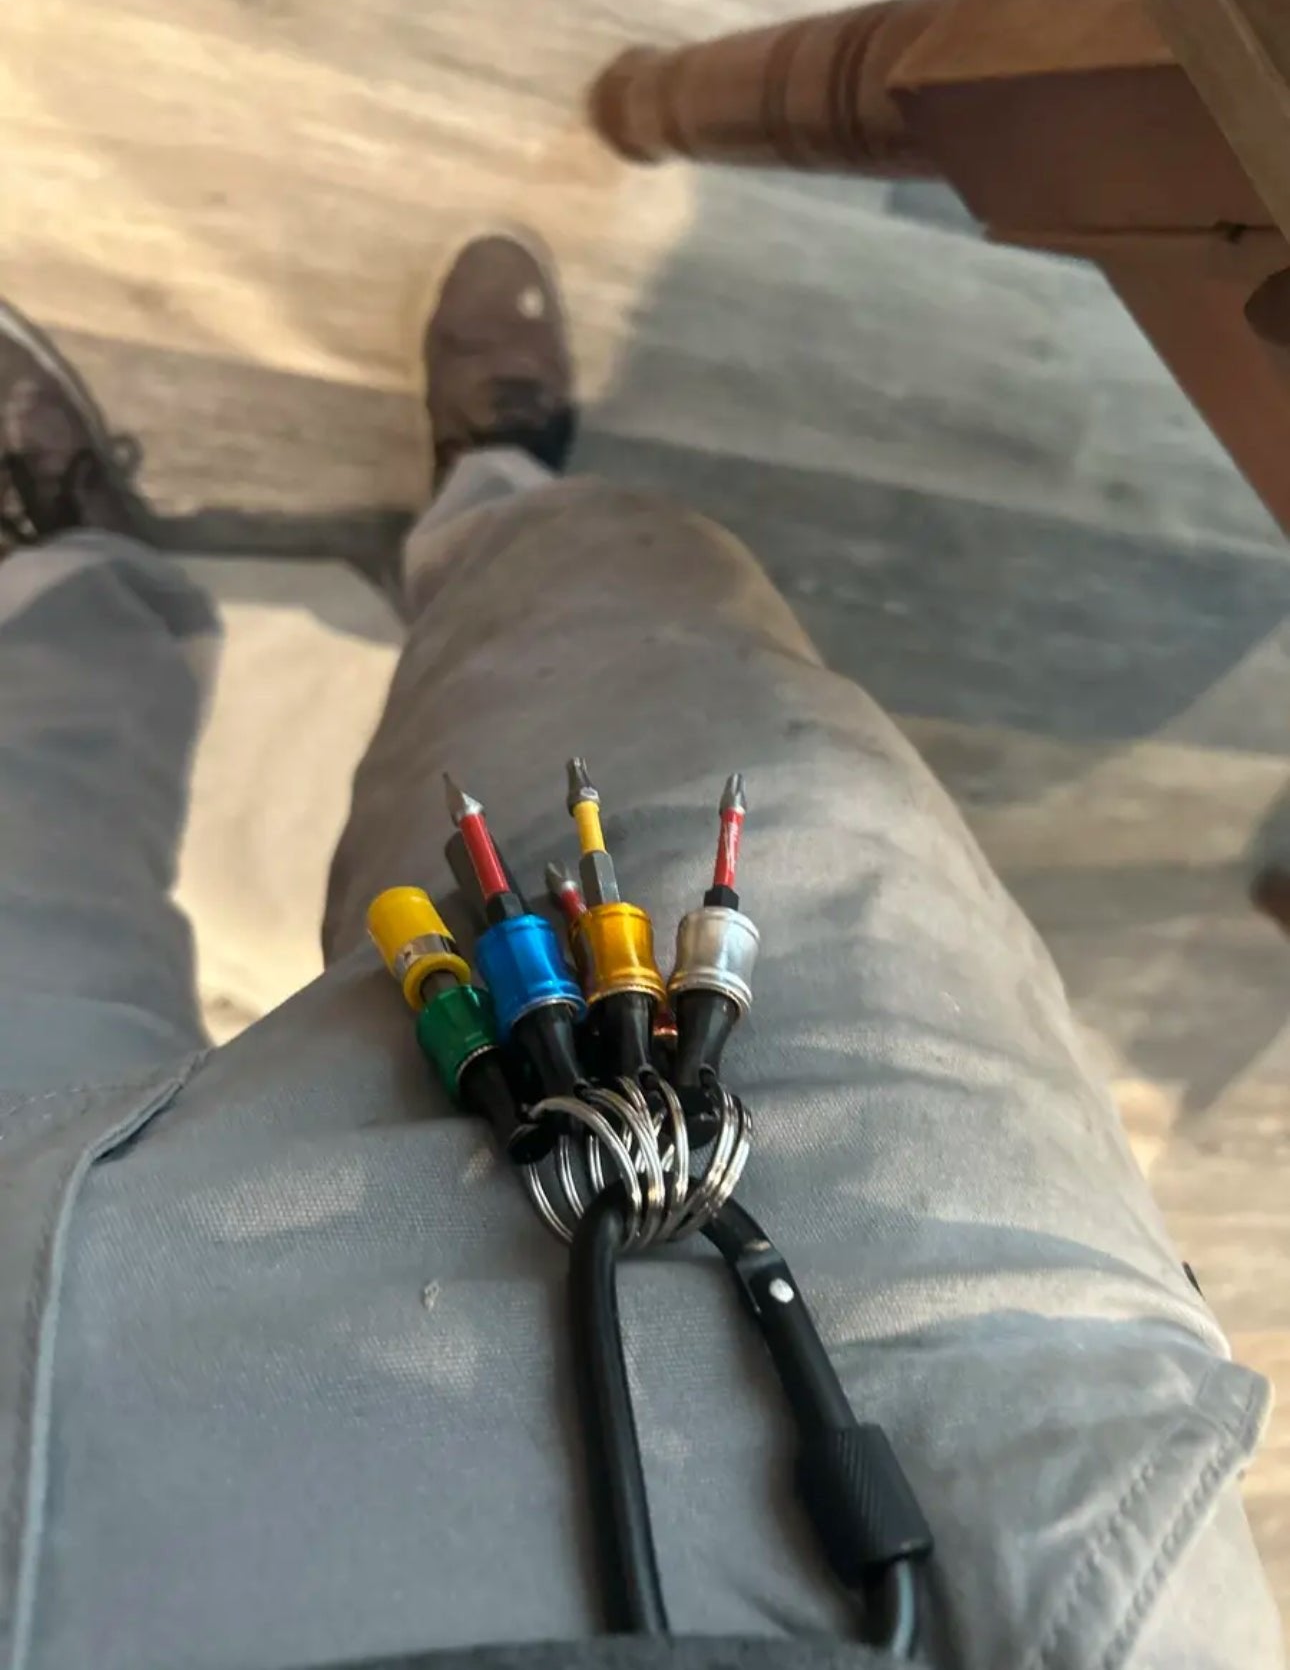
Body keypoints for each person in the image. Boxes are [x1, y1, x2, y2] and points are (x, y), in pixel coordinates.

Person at [0, 233, 1280, 1670]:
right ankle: (496, 500)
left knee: (18, 846)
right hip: (1014, 1534)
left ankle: (55, 587)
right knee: (658, 664)